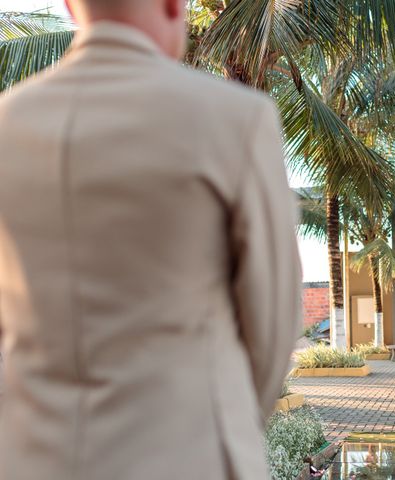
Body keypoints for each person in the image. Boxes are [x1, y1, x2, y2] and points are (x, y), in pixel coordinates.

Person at [0, 1, 301, 479]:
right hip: (187, 455)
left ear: (69, 9)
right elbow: (272, 328)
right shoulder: (237, 119)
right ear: (172, 4)